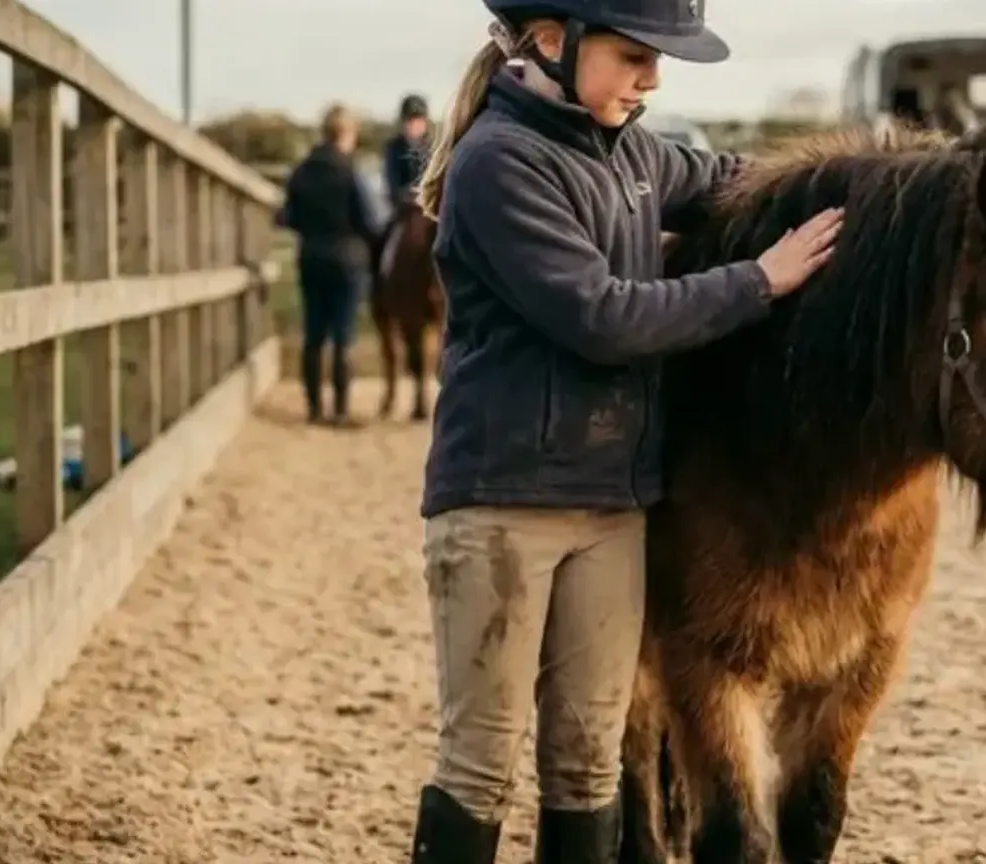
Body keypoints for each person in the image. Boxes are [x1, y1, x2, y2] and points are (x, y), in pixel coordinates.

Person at [403, 0, 844, 861]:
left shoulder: (635, 152)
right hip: (504, 504)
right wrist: (759, 281)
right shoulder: (499, 164)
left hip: (611, 502)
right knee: (480, 764)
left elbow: (737, 179)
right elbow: (603, 317)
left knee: (589, 763)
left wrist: (887, 186)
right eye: (635, 56)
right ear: (553, 40)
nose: (654, 79)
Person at [275, 102, 383, 426]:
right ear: (348, 133)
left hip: (311, 256)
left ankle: (313, 408)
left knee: (313, 334)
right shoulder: (352, 172)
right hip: (348, 260)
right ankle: (340, 410)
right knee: (343, 335)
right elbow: (370, 221)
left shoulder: (302, 171)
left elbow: (287, 217)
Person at [376, 93, 433, 274]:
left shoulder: (434, 148)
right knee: (381, 240)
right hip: (404, 212)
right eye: (410, 120)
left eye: (418, 119)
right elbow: (391, 182)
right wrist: (405, 195)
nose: (413, 125)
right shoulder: (394, 148)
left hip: (431, 211)